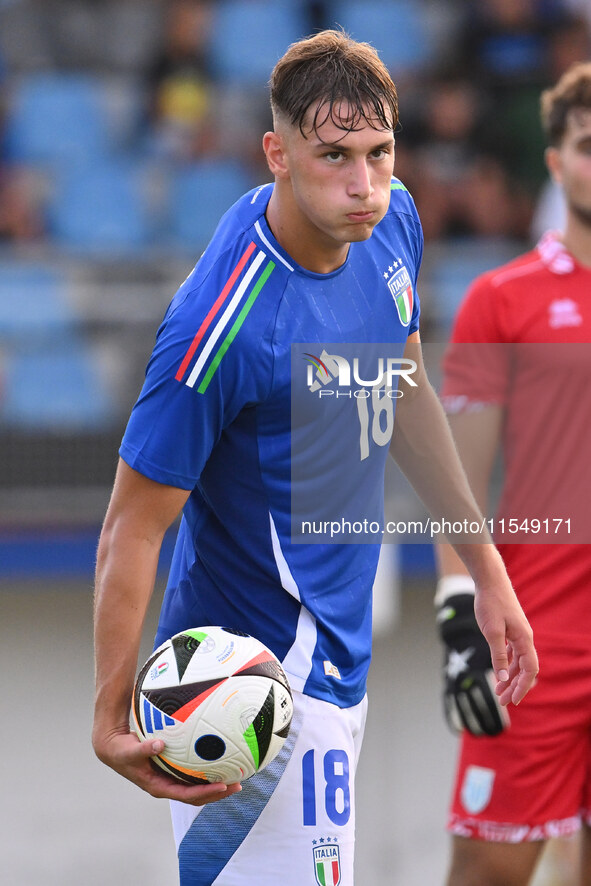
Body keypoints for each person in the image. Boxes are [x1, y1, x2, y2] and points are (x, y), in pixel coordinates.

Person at [92, 30, 537, 886]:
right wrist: (109, 712)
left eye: (379, 152)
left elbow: (402, 388)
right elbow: (131, 528)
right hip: (251, 691)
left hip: (340, 664)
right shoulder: (218, 326)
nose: (363, 183)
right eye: (333, 155)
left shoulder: (391, 218)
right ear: (277, 154)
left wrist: (485, 570)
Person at [436, 60, 591, 886]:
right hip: (537, 639)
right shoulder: (502, 299)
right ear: (556, 161)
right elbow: (454, 480)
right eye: (588, 144)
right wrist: (457, 615)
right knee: (488, 869)